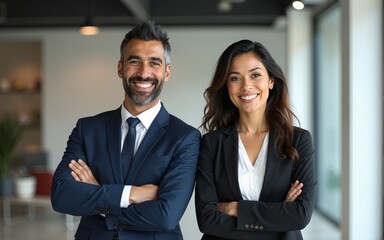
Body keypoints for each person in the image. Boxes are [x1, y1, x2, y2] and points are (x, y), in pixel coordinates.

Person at [51, 21, 201, 240]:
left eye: (154, 63)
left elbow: (166, 216)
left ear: (166, 72)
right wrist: (133, 194)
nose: (144, 73)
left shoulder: (185, 138)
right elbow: (62, 195)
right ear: (120, 68)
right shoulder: (88, 129)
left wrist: (101, 201)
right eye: (135, 61)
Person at [195, 40, 316, 240]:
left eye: (255, 75)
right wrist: (278, 215)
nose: (246, 86)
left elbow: (300, 215)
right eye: (235, 78)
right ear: (227, 86)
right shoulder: (211, 144)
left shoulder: (298, 140)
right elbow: (207, 220)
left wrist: (239, 209)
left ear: (271, 80)